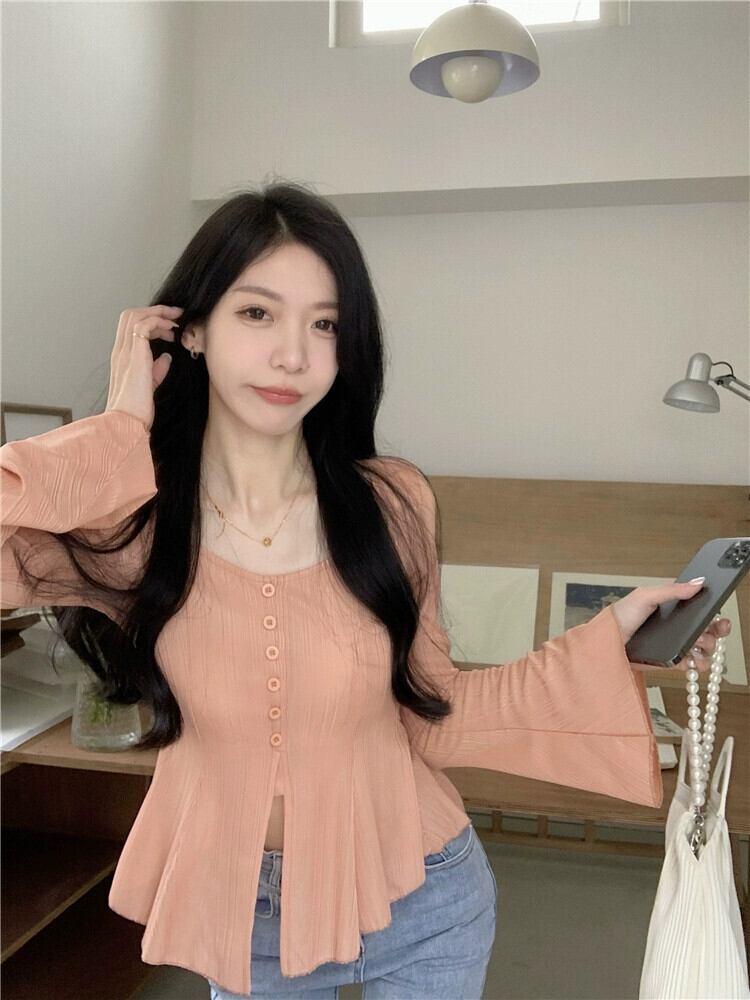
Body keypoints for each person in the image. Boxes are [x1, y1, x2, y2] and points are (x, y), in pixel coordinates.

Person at [1, 180, 731, 999]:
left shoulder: (391, 502)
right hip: (251, 921)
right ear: (191, 329)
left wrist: (611, 646)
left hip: (426, 896)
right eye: (258, 313)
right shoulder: (133, 525)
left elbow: (435, 715)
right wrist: (120, 430)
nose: (294, 355)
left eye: (325, 324)